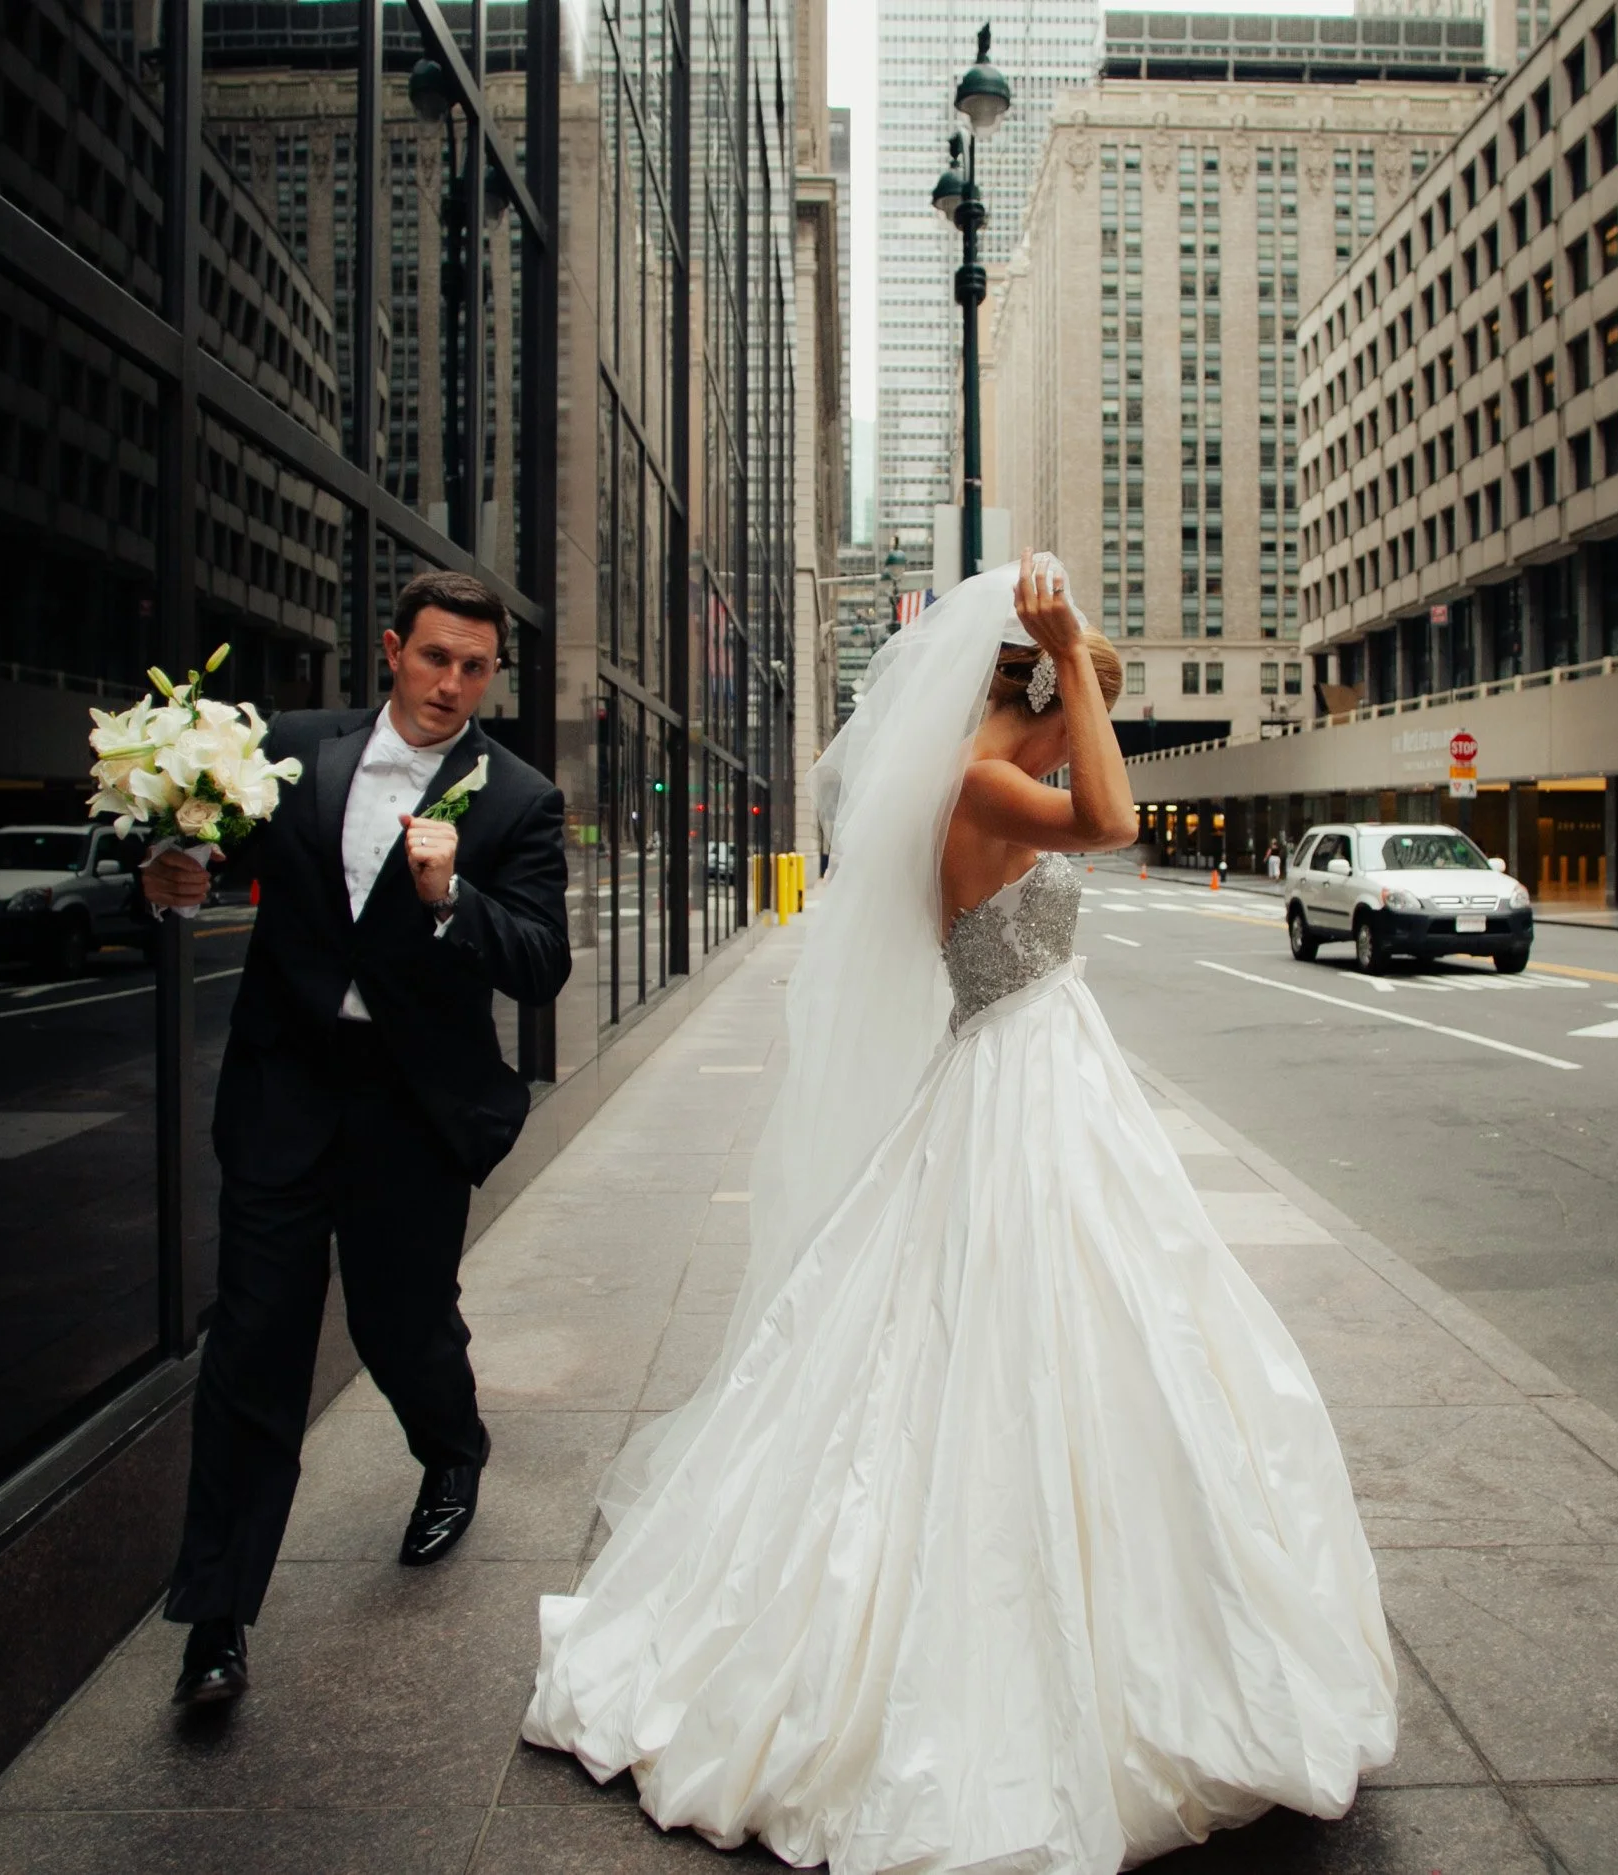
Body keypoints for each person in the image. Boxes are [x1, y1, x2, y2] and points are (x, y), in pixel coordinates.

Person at [524, 554, 1396, 1872]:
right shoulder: (981, 783)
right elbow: (1109, 818)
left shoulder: (985, 776)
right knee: (1024, 1327)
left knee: (1089, 1321)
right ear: (1043, 700)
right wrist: (1067, 663)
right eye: (1067, 716)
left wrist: (1067, 666)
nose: (1069, 745)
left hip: (1041, 1062)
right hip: (1021, 1075)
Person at [142, 571, 571, 1707]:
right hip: (285, 1092)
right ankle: (216, 1623)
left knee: (400, 1325)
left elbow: (541, 962)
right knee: (254, 1348)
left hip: (409, 1111)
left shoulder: (518, 798)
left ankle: (451, 1450)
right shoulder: (288, 748)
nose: (452, 684)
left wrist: (450, 898)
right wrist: (174, 882)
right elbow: (213, 866)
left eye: (476, 667)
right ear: (392, 650)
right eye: (435, 657)